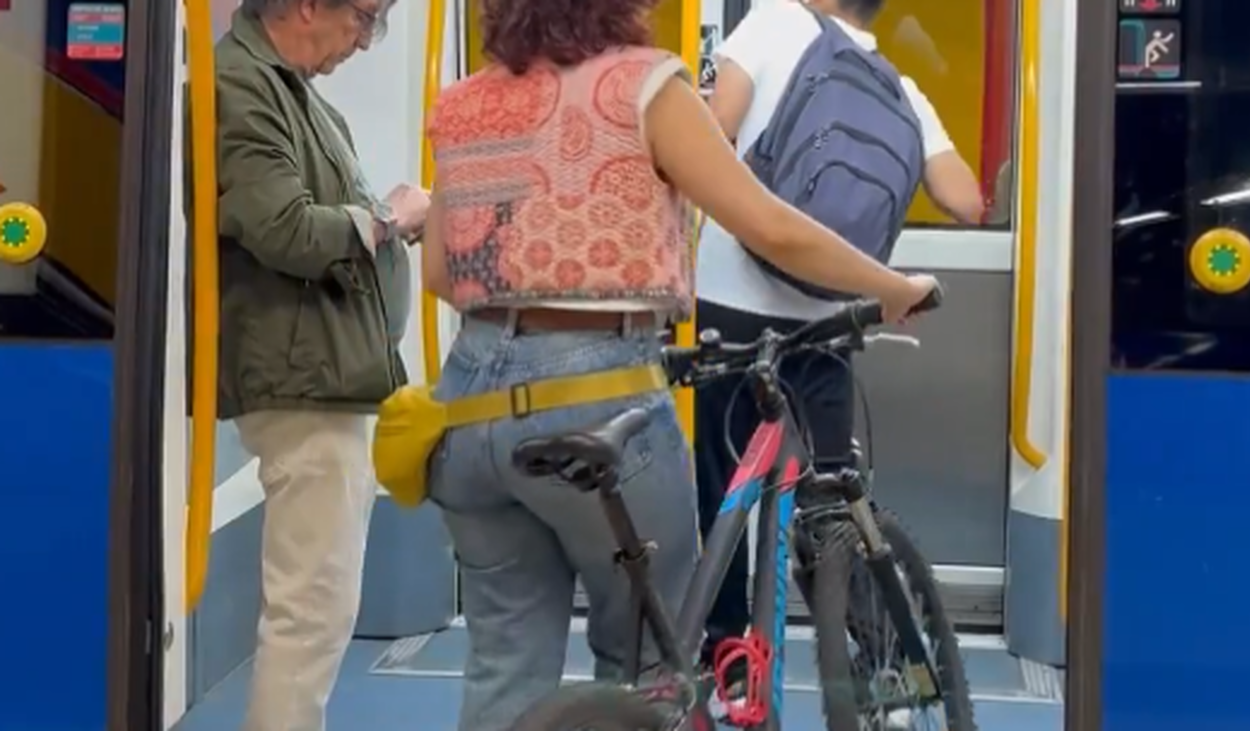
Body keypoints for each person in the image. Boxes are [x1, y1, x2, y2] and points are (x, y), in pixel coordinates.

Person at [417, 0, 939, 728]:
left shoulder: (466, 103)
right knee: (650, 664)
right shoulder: (645, 86)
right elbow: (770, 227)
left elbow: (441, 270)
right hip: (600, 388)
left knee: (504, 662)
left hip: (469, 404)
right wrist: (891, 289)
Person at [695, 0, 985, 695]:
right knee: (830, 505)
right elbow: (966, 199)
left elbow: (711, 136)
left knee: (723, 492)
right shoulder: (901, 89)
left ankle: (728, 657)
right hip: (826, 320)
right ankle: (881, 659)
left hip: (730, 312)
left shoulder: (768, 24)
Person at [211, 0, 429, 728]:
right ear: (308, 6)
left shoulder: (289, 90)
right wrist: (388, 219)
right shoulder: (243, 85)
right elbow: (282, 227)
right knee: (311, 610)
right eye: (365, 19)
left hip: (326, 374)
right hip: (303, 380)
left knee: (317, 608)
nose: (366, 42)